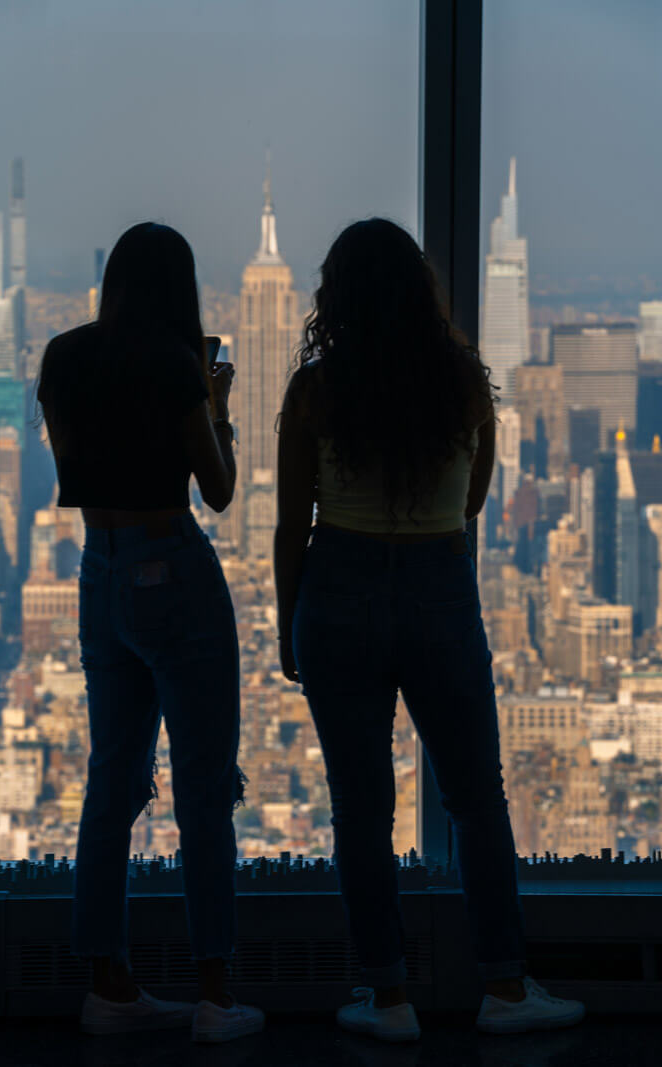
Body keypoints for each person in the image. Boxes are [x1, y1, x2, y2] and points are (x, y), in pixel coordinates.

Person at [274, 218, 586, 1042]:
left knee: (360, 806)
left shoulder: (314, 390)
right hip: (436, 586)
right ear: (422, 291)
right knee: (477, 795)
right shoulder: (464, 385)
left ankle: (387, 998)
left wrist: (284, 626)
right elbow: (476, 499)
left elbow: (287, 523)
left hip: (335, 589)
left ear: (333, 296)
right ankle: (508, 988)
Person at [36, 222, 263, 1043]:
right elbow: (221, 489)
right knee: (203, 792)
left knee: (111, 781)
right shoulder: (176, 367)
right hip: (174, 568)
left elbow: (71, 469)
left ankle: (107, 981)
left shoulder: (63, 357)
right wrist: (218, 405)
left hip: (100, 572)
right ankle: (214, 994)